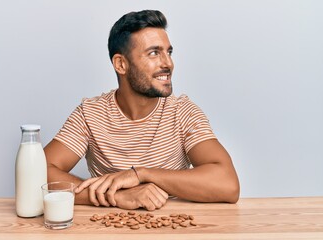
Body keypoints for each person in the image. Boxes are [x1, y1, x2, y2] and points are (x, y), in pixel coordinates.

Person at [44, 9, 240, 211]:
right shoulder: (90, 114)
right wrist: (118, 196)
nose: (168, 63)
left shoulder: (183, 112)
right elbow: (37, 174)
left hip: (173, 228)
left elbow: (228, 185)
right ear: (121, 64)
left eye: (168, 52)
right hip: (108, 230)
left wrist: (141, 174)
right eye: (154, 53)